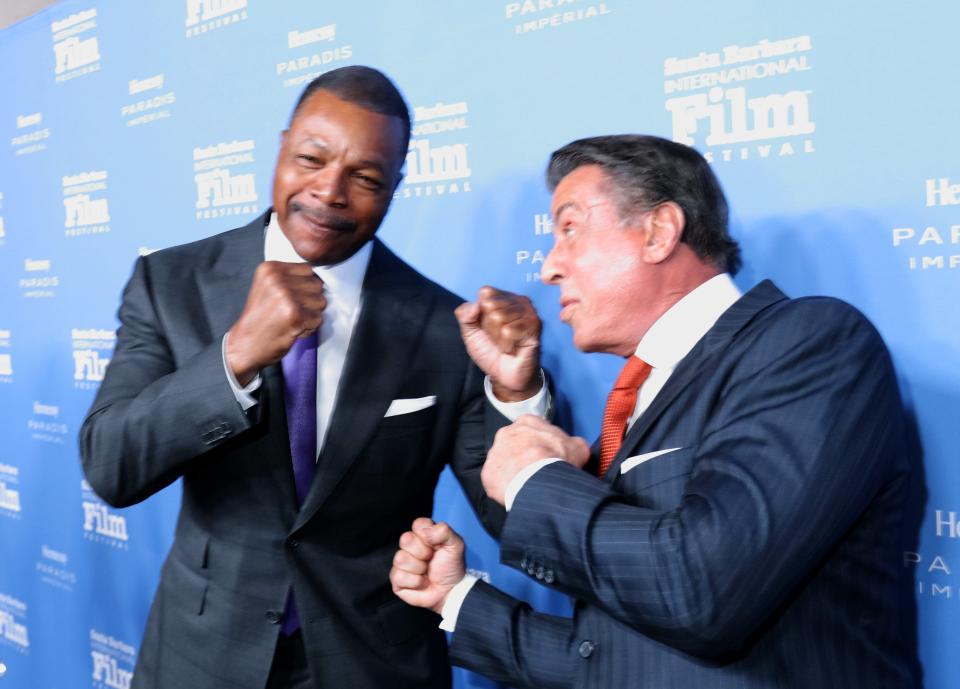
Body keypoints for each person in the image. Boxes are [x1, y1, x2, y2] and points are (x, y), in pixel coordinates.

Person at [391, 135, 918, 688]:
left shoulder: (810, 344)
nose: (548, 267)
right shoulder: (645, 393)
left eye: (570, 228)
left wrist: (532, 474)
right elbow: (610, 654)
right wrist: (457, 599)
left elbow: (704, 593)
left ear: (658, 231)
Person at [79, 66, 546, 689]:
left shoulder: (444, 325)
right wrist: (236, 355)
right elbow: (113, 467)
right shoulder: (172, 283)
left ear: (397, 186)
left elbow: (512, 521)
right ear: (281, 147)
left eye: (366, 178)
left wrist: (516, 396)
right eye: (311, 158)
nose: (330, 191)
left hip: (373, 663)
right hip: (200, 656)